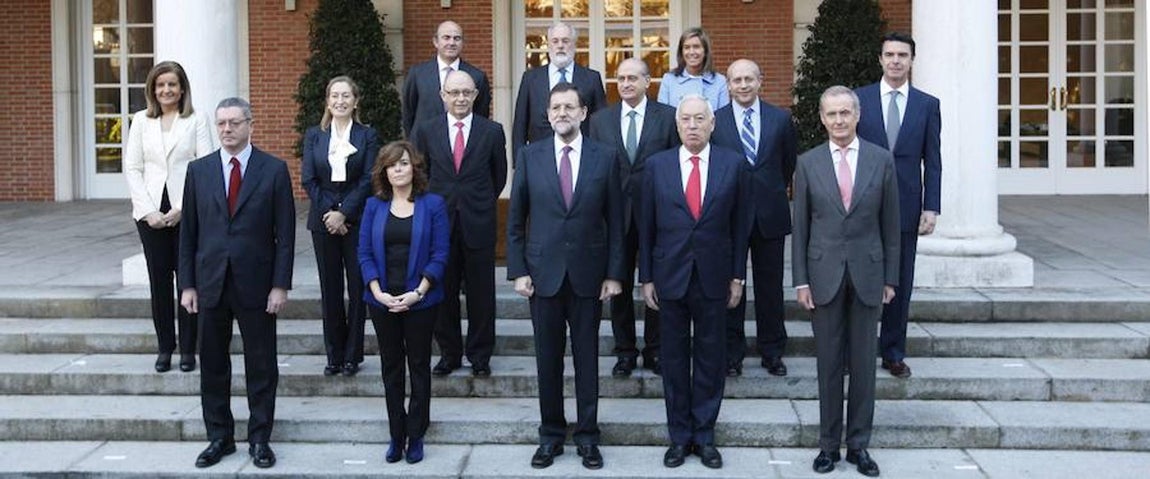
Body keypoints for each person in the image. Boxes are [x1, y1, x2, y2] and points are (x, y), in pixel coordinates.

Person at [507, 83, 624, 470]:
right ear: (548, 114)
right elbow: (516, 220)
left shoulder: (605, 158)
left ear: (583, 113)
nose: (561, 113)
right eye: (555, 107)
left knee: (587, 360)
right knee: (548, 360)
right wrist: (519, 270)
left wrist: (614, 274)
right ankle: (551, 436)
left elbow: (617, 223)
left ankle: (588, 437)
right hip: (542, 276)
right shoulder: (530, 155)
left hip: (590, 275)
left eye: (569, 107)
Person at [180, 97, 295, 470]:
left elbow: (286, 235)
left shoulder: (274, 170)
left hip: (257, 285)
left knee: (261, 365)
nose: (227, 130)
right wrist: (188, 285)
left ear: (250, 124)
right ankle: (219, 437)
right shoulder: (198, 171)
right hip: (210, 283)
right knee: (213, 364)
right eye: (222, 124)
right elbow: (189, 235)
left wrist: (280, 285)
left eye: (234, 122)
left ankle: (260, 439)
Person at [792, 86, 899, 478]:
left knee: (864, 366)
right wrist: (800, 280)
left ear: (857, 116)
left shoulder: (881, 160)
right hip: (823, 276)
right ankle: (827, 446)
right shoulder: (807, 163)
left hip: (869, 275)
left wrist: (891, 277)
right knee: (829, 365)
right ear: (822, 118)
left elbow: (891, 225)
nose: (838, 120)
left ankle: (859, 445)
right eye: (831, 114)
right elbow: (800, 226)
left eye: (845, 113)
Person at [638, 94, 750, 470]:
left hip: (715, 276)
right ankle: (678, 437)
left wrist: (738, 276)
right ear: (677, 123)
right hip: (669, 276)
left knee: (710, 358)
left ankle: (704, 436)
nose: (692, 125)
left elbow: (740, 225)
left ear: (712, 123)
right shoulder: (656, 166)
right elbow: (646, 227)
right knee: (672, 361)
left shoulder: (733, 165)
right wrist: (646, 277)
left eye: (699, 118)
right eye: (685, 119)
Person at [855, 32, 941, 380]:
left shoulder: (927, 104)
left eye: (902, 55)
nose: (895, 60)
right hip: (861, 207)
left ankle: (893, 352)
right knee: (858, 280)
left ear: (911, 60)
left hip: (906, 207)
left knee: (900, 283)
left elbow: (933, 161)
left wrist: (931, 206)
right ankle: (856, 353)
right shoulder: (859, 100)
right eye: (889, 54)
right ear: (880, 59)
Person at [357, 140, 450, 465]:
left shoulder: (433, 204)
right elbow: (364, 254)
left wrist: (419, 291)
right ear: (384, 170)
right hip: (381, 300)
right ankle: (397, 435)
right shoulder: (372, 206)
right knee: (391, 368)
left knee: (419, 367)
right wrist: (379, 292)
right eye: (392, 164)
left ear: (415, 168)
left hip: (421, 301)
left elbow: (440, 254)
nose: (398, 168)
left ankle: (417, 433)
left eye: (404, 163)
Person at [410, 70, 507, 378]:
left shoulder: (492, 131)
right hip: (439, 225)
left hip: (479, 222)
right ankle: (449, 353)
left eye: (467, 92)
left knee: (482, 294)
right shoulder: (427, 130)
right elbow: (419, 174)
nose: (461, 98)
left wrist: (476, 202)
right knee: (443, 291)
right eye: (454, 93)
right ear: (443, 96)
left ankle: (480, 356)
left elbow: (498, 177)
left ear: (476, 96)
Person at [587, 57, 679, 377]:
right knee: (619, 285)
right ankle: (625, 350)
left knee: (658, 285)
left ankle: (655, 349)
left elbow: (676, 165)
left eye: (632, 78)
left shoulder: (667, 118)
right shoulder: (600, 121)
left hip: (659, 216)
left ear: (647, 82)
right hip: (615, 216)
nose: (626, 84)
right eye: (621, 78)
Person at [123, 61, 213, 373]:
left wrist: (181, 210)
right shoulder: (140, 121)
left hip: (186, 211)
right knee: (159, 283)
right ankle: (165, 347)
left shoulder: (196, 119)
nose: (166, 90)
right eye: (160, 85)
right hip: (149, 213)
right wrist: (149, 212)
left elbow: (205, 167)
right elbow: (133, 168)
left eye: (172, 84)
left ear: (182, 88)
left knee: (188, 281)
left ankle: (189, 349)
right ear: (152, 89)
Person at [711, 59, 797, 377]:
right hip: (727, 216)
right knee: (730, 285)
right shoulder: (715, 121)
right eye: (737, 80)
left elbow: (787, 165)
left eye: (749, 79)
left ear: (760, 81)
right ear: (728, 85)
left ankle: (772, 351)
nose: (743, 85)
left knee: (770, 286)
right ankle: (732, 354)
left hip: (769, 214)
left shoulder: (781, 119)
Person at [302, 76, 380, 378]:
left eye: (346, 95)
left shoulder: (367, 135)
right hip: (323, 222)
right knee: (330, 290)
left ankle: (352, 355)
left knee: (358, 288)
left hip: (357, 221)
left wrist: (344, 213)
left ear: (355, 101)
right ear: (327, 101)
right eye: (334, 95)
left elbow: (370, 178)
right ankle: (333, 355)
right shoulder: (314, 135)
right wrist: (331, 214)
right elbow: (309, 178)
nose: (340, 101)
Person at [511, 21, 607, 161]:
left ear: (574, 44)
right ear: (549, 45)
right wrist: (519, 163)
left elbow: (600, 123)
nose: (560, 45)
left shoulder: (591, 78)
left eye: (565, 41)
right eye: (555, 41)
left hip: (582, 158)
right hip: (539, 159)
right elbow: (520, 124)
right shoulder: (530, 79)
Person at [402, 20, 492, 136]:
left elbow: (481, 115)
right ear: (436, 42)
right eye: (446, 37)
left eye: (457, 38)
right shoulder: (417, 74)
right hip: (423, 145)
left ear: (462, 43)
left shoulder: (477, 77)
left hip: (461, 144)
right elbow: (408, 113)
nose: (452, 42)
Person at [656, 27, 729, 111]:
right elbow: (663, 116)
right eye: (687, 47)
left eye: (696, 47)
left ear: (705, 51)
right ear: (681, 52)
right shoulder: (669, 79)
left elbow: (723, 117)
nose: (691, 52)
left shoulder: (719, 81)